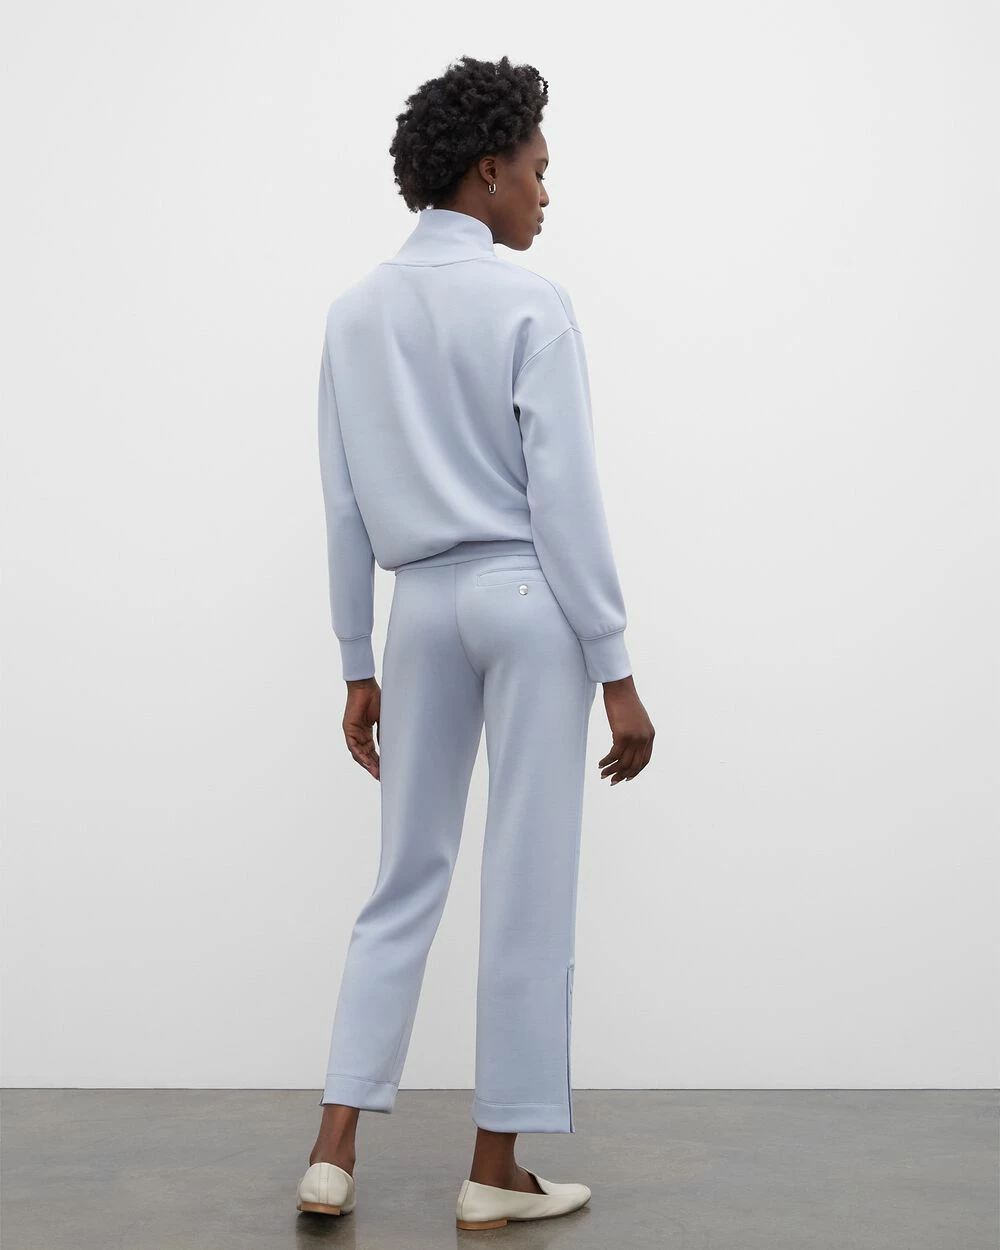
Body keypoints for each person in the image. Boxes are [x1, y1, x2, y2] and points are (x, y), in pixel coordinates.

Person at [295, 54, 655, 1230]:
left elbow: (343, 504)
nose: (547, 194)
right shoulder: (530, 304)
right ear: (486, 170)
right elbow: (566, 498)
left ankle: (332, 1150)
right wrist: (616, 667)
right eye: (538, 171)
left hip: (418, 610)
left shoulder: (352, 314)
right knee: (526, 877)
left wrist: (357, 658)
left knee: (404, 874)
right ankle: (492, 1168)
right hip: (525, 596)